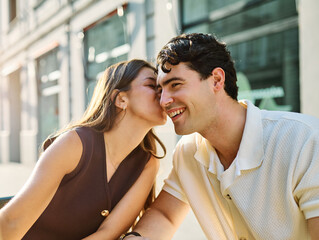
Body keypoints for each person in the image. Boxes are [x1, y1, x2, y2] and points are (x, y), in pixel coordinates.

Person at [125, 33, 319, 240]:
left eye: (175, 85)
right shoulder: (188, 152)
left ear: (216, 80)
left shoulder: (305, 140)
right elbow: (164, 215)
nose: (163, 101)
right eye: (160, 90)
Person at [0, 59, 167, 240]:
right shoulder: (75, 143)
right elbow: (11, 221)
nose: (163, 93)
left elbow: (108, 233)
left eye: (163, 87)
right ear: (121, 99)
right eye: (152, 85)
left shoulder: (148, 163)